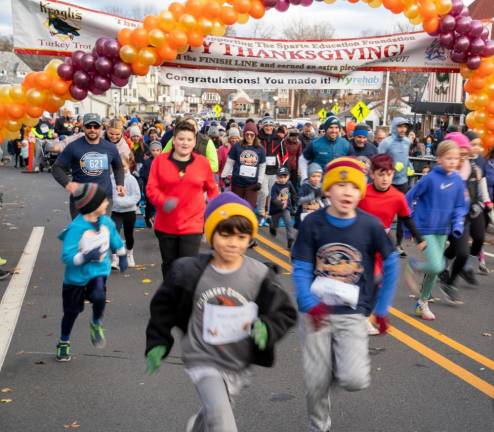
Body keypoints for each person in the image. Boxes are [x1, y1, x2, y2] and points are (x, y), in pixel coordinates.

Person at [145, 192, 297, 432]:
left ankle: (199, 425)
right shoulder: (189, 271)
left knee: (216, 412)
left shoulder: (258, 274)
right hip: (202, 356)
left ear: (249, 239)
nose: (233, 242)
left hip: (238, 360)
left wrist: (267, 328)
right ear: (209, 234)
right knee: (223, 422)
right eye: (225, 234)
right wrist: (158, 341)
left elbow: (285, 312)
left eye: (241, 236)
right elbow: (163, 306)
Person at [291, 157, 399, 432]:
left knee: (354, 380)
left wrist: (382, 308)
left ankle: (333, 366)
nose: (347, 192)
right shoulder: (313, 223)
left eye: (353, 186)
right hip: (316, 313)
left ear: (361, 191)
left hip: (353, 312)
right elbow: (302, 266)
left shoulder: (370, 225)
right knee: (316, 383)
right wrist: (307, 302)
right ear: (327, 190)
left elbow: (391, 262)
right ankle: (319, 426)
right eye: (340, 185)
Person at [56, 183, 128, 362]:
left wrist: (122, 254)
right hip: (76, 278)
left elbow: (115, 239)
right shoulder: (76, 228)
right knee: (71, 312)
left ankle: (96, 323)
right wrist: (85, 257)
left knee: (98, 296)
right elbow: (67, 256)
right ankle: (64, 341)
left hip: (98, 271)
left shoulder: (106, 222)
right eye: (104, 201)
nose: (107, 203)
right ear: (92, 205)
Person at [358, 154, 426, 334]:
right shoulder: (363, 193)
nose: (385, 178)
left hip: (383, 243)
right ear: (372, 174)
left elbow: (406, 218)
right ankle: (359, 316)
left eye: (388, 174)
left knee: (379, 283)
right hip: (362, 242)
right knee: (367, 281)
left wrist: (420, 240)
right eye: (381, 174)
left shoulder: (397, 196)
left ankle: (366, 316)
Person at [146, 122, 219, 279]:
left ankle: (185, 301)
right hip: (166, 224)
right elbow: (151, 188)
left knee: (188, 267)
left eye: (188, 139)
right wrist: (163, 201)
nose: (185, 143)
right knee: (170, 266)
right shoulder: (160, 161)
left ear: (194, 142)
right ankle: (169, 298)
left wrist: (216, 213)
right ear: (174, 140)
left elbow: (212, 189)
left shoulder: (202, 163)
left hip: (192, 224)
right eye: (181, 139)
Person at [404, 140, 467, 320]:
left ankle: (422, 303)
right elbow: (409, 197)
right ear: (439, 159)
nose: (453, 162)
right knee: (437, 265)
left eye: (456, 159)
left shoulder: (457, 180)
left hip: (443, 230)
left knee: (433, 270)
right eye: (449, 158)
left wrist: (457, 225)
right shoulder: (430, 178)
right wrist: (408, 225)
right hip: (425, 228)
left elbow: (460, 206)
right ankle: (413, 266)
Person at [438, 133, 491, 298]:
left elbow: (480, 186)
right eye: (457, 154)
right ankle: (435, 271)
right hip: (445, 219)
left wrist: (485, 203)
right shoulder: (443, 172)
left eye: (464, 154)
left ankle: (450, 282)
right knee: (445, 256)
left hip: (466, 216)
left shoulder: (473, 168)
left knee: (462, 251)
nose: (461, 158)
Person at [52, 113, 125, 219]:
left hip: (104, 198)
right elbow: (57, 168)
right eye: (88, 126)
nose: (92, 129)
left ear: (100, 127)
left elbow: (118, 166)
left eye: (95, 126)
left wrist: (120, 183)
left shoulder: (110, 148)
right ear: (83, 127)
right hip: (81, 198)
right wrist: (67, 184)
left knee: (102, 233)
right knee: (81, 233)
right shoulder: (73, 147)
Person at [378, 117, 413, 257]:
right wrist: (391, 166)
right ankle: (380, 240)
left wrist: (409, 166)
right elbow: (378, 160)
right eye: (400, 126)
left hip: (403, 181)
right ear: (394, 127)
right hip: (388, 182)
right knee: (385, 213)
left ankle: (398, 244)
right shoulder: (386, 142)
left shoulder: (407, 141)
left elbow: (406, 158)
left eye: (405, 127)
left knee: (402, 215)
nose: (403, 129)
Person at [221, 123, 266, 209]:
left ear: (255, 135)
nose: (249, 137)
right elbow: (230, 162)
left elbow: (262, 166)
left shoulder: (260, 149)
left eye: (251, 135)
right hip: (238, 182)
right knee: (236, 206)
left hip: (252, 184)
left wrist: (260, 181)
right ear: (244, 134)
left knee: (250, 207)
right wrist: (224, 176)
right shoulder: (237, 146)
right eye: (247, 134)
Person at [299, 116, 353, 183]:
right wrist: (304, 178)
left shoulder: (346, 144)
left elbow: (352, 164)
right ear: (326, 128)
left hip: (338, 185)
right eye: (331, 127)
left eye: (336, 128)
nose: (334, 131)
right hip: (319, 186)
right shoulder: (315, 143)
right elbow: (303, 159)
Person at [111, 156, 141, 269]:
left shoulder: (131, 179)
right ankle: (115, 258)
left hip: (129, 211)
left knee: (129, 235)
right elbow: (110, 194)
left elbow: (137, 195)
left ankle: (129, 254)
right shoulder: (111, 178)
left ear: (128, 165)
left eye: (122, 166)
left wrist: (124, 202)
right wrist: (115, 202)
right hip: (115, 211)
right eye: (116, 166)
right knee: (114, 234)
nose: (120, 168)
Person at [256, 116, 287, 225]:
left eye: (270, 125)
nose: (268, 127)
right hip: (262, 170)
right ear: (263, 126)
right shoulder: (258, 138)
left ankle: (269, 214)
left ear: (273, 126)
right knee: (264, 192)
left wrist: (283, 168)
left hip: (275, 170)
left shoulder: (279, 139)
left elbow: (284, 155)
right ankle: (260, 213)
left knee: (272, 194)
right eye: (266, 125)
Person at [269, 166, 297, 250]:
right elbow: (273, 199)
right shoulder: (275, 186)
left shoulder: (289, 183)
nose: (283, 179)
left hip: (286, 208)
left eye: (285, 177)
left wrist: (294, 203)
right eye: (280, 177)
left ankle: (290, 238)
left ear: (288, 176)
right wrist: (281, 205)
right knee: (275, 224)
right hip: (276, 209)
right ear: (277, 177)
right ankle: (272, 227)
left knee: (288, 223)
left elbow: (293, 193)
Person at [295, 163, 328, 229]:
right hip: (305, 215)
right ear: (309, 176)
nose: (316, 179)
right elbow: (298, 201)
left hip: (316, 215)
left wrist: (326, 208)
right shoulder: (305, 186)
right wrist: (312, 196)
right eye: (313, 176)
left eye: (318, 176)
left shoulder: (321, 187)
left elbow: (324, 199)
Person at [139, 141, 162, 227]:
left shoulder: (164, 161)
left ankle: (157, 219)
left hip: (161, 187)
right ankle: (148, 218)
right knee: (150, 204)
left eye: (157, 150)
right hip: (149, 187)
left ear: (161, 150)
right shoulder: (148, 162)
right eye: (153, 150)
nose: (155, 152)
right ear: (150, 151)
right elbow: (142, 174)